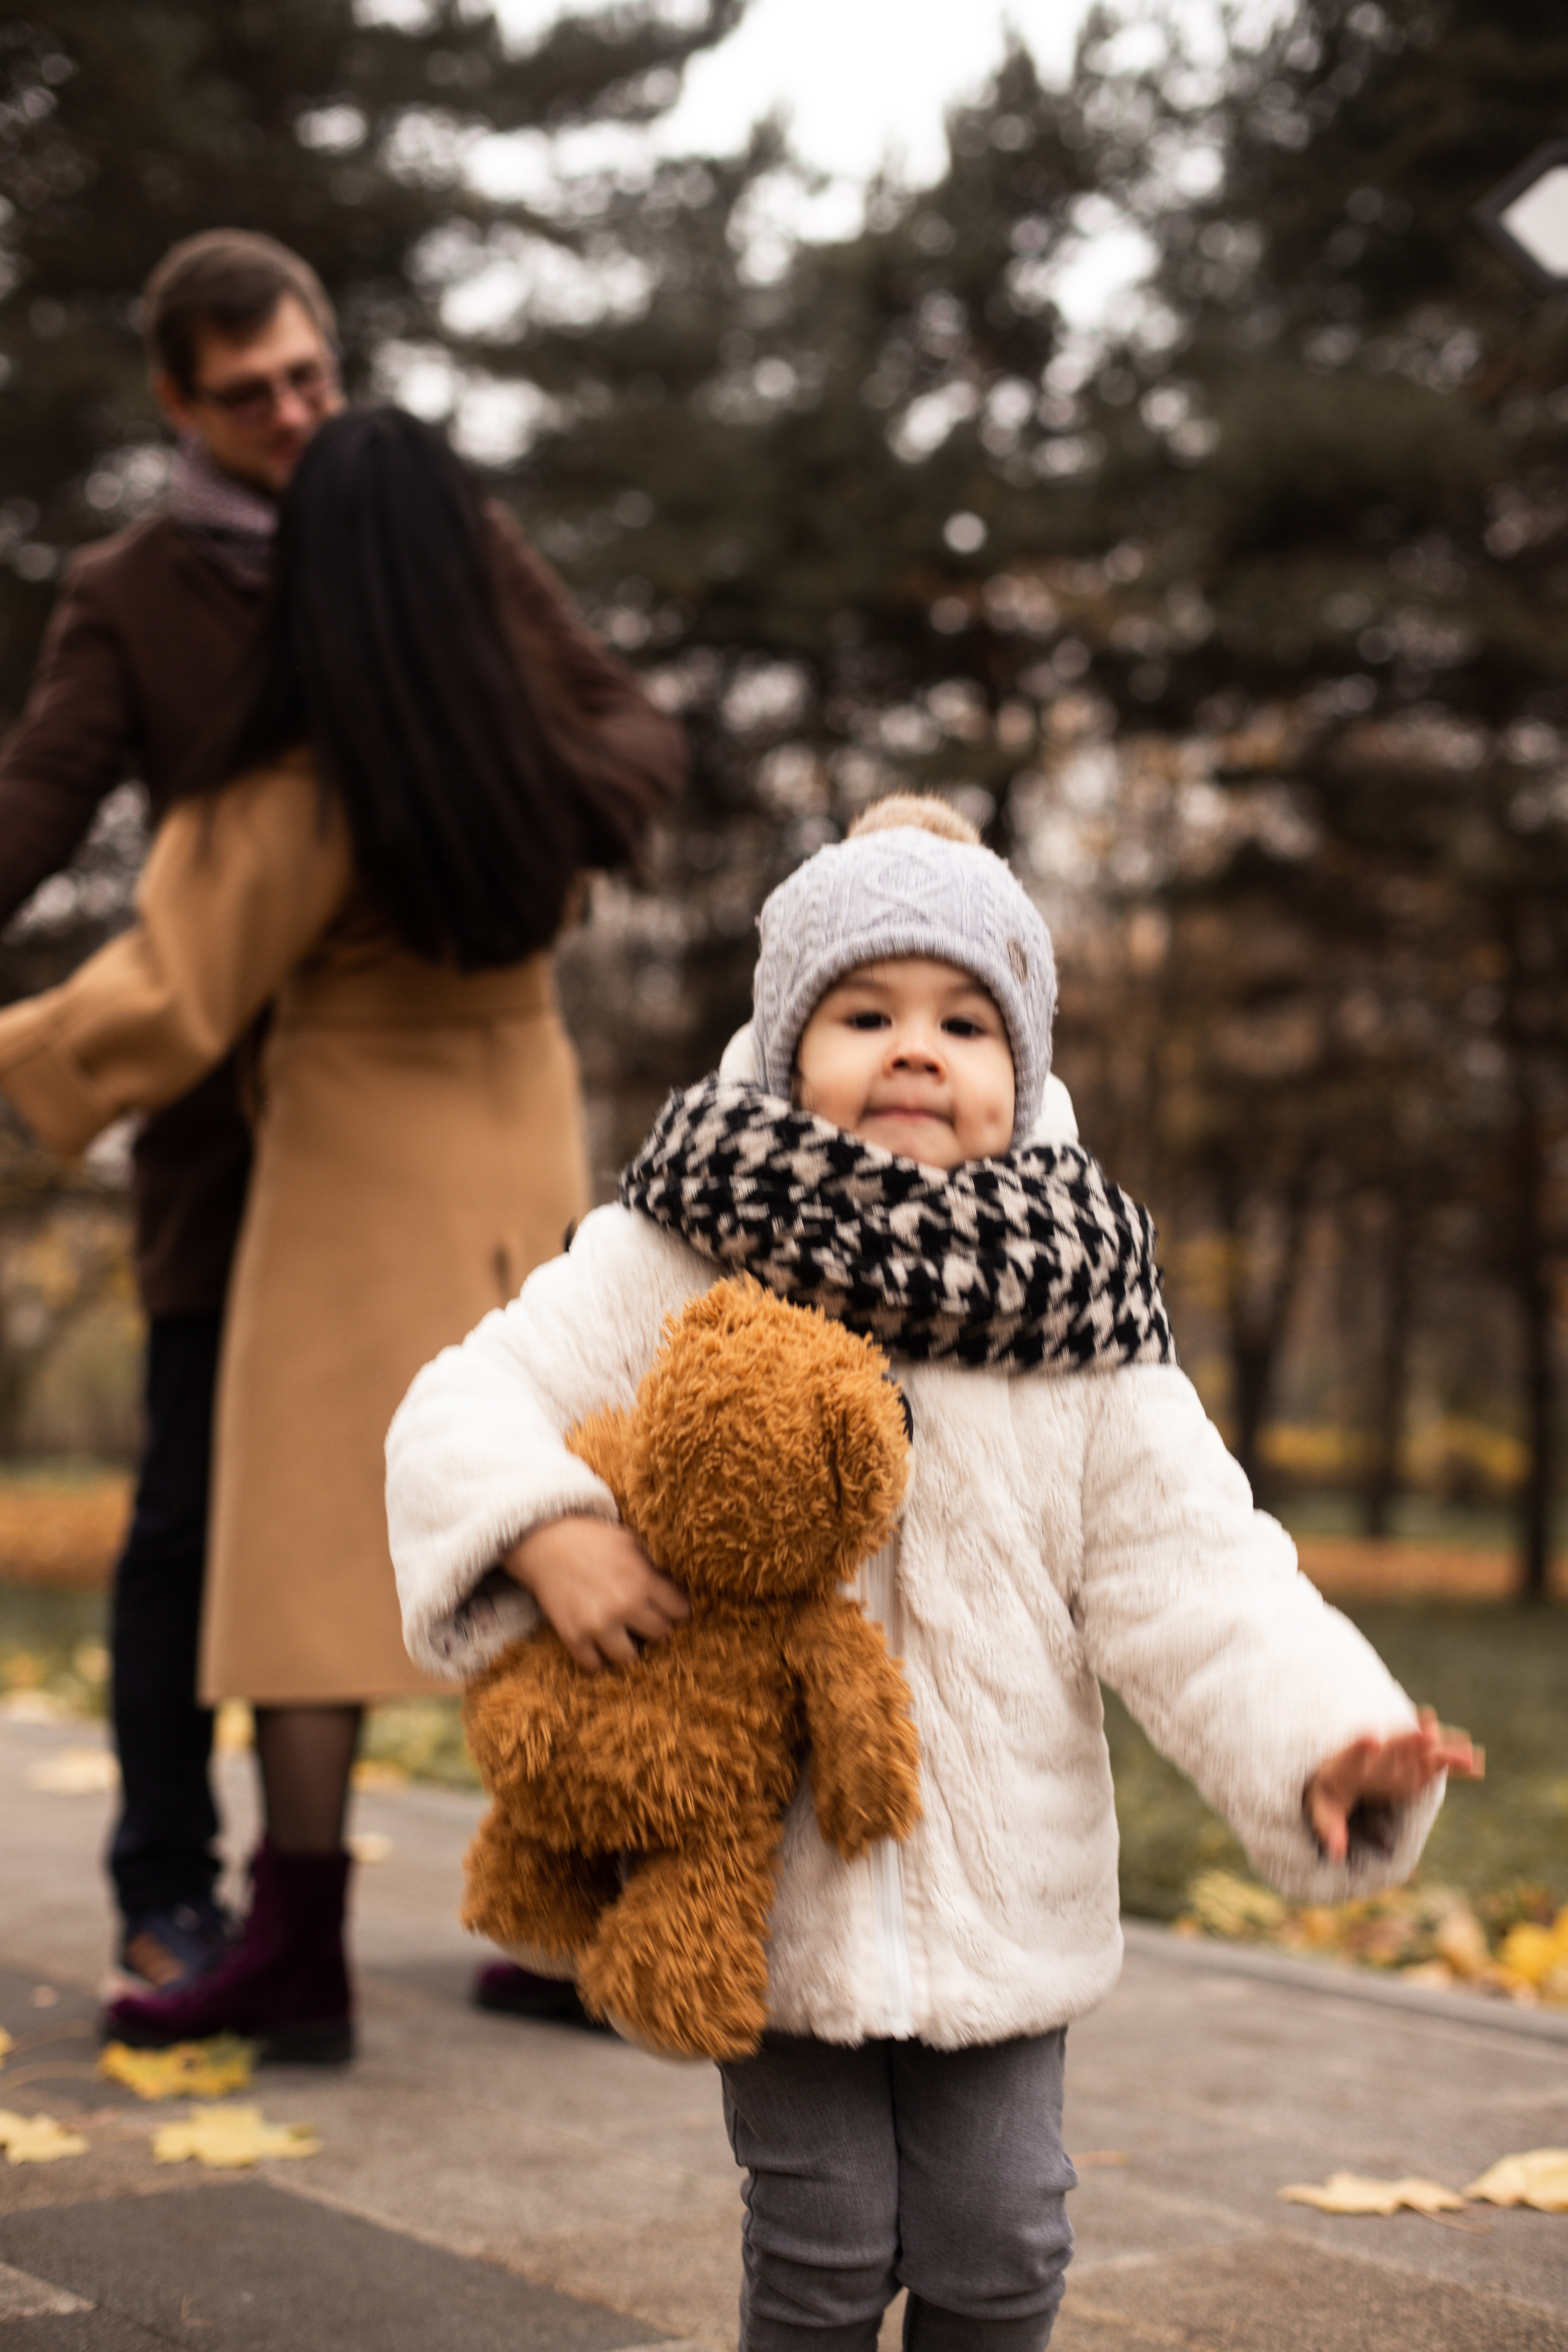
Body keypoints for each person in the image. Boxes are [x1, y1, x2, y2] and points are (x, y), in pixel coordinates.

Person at [383, 793, 1480, 2351]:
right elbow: (462, 1407)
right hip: (769, 1870)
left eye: (964, 1024)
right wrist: (545, 1529)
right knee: (823, 2242)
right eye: (866, 1014)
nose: (916, 1051)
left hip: (1003, 1885)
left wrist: (1326, 1742)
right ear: (785, 1047)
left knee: (1001, 2237)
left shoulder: (1076, 1306)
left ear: (1019, 1068)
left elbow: (1201, 1572)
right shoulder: (681, 1243)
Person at [0, 405, 685, 2061]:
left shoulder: (302, 786)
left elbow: (168, 997)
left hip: (353, 1180)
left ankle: (297, 1943)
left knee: (314, 1550)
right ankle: (578, 1925)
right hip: (524, 1160)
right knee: (546, 1510)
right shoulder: (541, 765)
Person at [0, 230, 345, 1997]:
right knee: (187, 1520)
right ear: (176, 404)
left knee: (488, 1497)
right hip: (225, 1125)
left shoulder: (406, 529)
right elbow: (43, 794)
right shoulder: (129, 590)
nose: (290, 413)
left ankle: (542, 1881)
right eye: (247, 394)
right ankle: (166, 1882)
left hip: (412, 1113)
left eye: (308, 376)